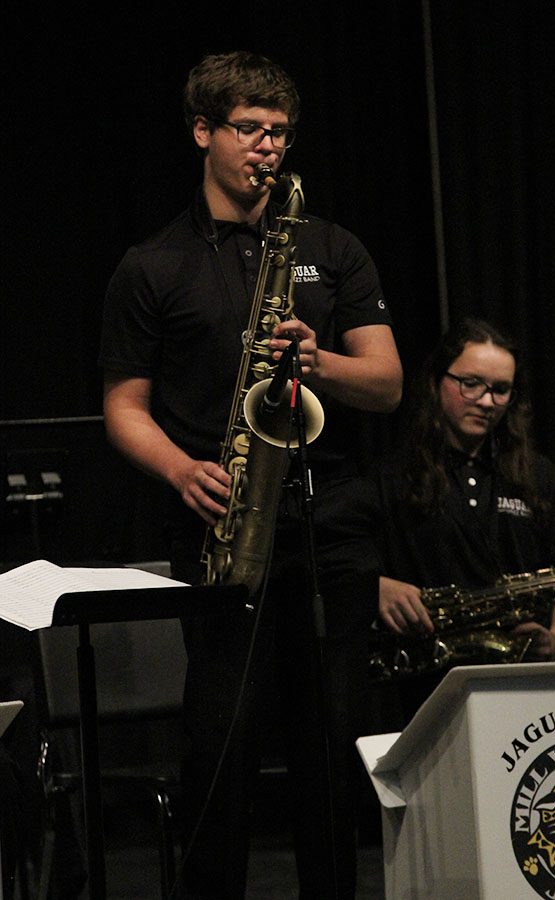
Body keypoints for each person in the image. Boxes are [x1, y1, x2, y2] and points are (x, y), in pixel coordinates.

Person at [99, 50, 403, 899]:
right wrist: (180, 469)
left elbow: (386, 383)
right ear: (203, 131)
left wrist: (320, 362)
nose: (267, 148)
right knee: (219, 754)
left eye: (280, 133)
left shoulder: (331, 248)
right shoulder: (151, 264)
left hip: (329, 526)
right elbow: (123, 406)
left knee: (330, 753)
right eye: (248, 130)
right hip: (220, 525)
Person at [342, 316, 555, 723]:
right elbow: (339, 565)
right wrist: (377, 587)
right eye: (471, 383)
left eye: (500, 390)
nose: (486, 400)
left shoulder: (544, 479)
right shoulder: (388, 475)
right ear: (436, 382)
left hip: (519, 692)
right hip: (418, 694)